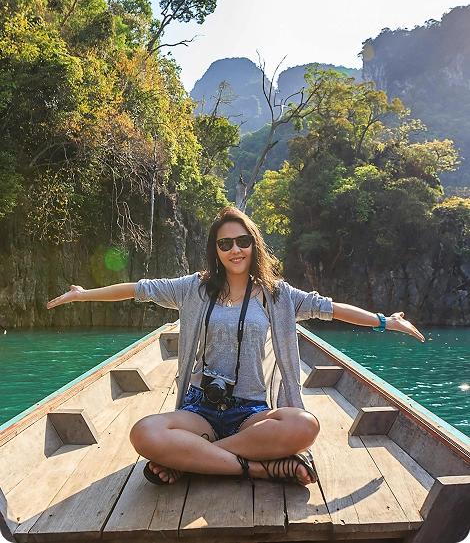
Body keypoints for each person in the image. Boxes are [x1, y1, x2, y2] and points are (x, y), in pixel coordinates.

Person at [47, 206, 425, 487]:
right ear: (217, 249)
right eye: (225, 243)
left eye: (242, 241)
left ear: (253, 244)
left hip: (250, 412)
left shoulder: (279, 296)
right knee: (144, 433)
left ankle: (196, 458)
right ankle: (258, 467)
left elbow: (332, 309)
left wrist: (384, 321)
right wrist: (83, 295)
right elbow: (138, 289)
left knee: (304, 425)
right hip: (201, 408)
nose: (235, 250)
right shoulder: (193, 288)